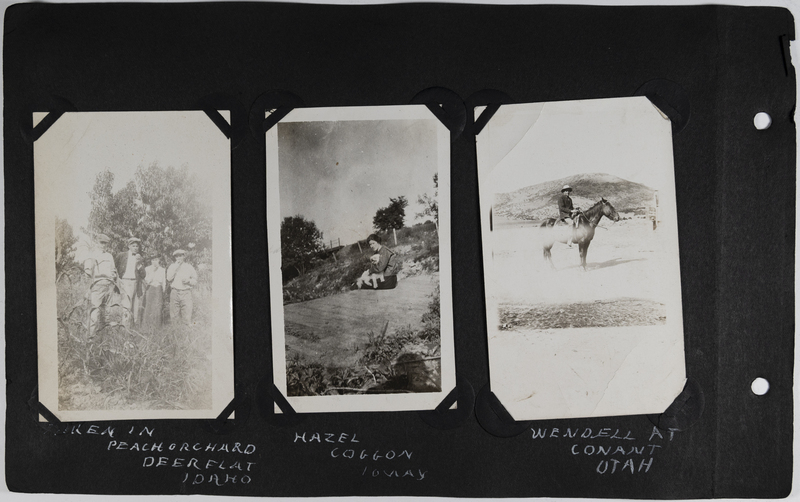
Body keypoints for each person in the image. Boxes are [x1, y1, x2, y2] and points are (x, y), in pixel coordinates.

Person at [83, 234, 117, 339]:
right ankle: (90, 338)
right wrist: (89, 288)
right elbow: (87, 273)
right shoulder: (92, 255)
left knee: (106, 313)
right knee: (94, 312)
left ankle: (103, 338)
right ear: (97, 243)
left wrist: (113, 277)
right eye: (101, 243)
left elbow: (113, 270)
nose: (103, 245)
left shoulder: (109, 256)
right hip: (97, 286)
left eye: (105, 243)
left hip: (108, 285)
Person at [115, 237, 146, 328]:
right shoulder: (121, 255)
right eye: (133, 246)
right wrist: (117, 280)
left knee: (135, 306)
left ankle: (133, 327)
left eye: (137, 246)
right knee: (126, 306)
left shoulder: (139, 258)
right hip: (125, 282)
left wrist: (139, 264)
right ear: (129, 246)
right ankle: (125, 328)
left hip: (136, 283)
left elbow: (143, 275)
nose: (135, 248)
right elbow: (114, 267)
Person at [166, 249, 197, 325]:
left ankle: (186, 333)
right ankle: (175, 332)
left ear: (184, 256)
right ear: (175, 258)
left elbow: (195, 280)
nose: (179, 258)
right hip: (175, 292)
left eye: (180, 256)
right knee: (174, 315)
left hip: (186, 292)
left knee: (187, 315)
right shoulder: (172, 266)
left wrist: (188, 281)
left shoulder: (189, 267)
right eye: (177, 256)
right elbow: (169, 278)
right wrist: (176, 267)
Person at [142, 256, 166, 331]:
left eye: (156, 260)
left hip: (158, 288)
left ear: (159, 260)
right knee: (149, 307)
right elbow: (147, 281)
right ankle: (147, 327)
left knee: (158, 307)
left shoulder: (162, 269)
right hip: (150, 288)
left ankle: (157, 327)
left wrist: (163, 291)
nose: (154, 262)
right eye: (153, 260)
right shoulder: (147, 269)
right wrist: (153, 271)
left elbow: (163, 281)